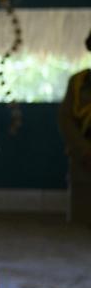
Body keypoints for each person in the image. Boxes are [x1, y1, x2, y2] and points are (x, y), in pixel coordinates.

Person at [57, 29, 91, 227]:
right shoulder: (79, 82)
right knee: (83, 220)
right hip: (84, 160)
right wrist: (85, 150)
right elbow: (65, 118)